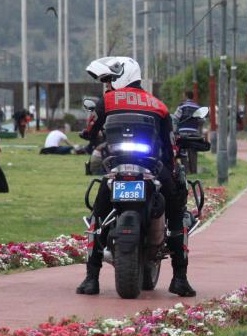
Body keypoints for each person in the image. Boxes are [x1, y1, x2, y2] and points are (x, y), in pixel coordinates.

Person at [77, 56, 196, 297]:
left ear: (124, 75)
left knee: (97, 216)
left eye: (110, 79)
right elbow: (169, 145)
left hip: (117, 167)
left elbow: (90, 131)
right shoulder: (158, 105)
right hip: (151, 167)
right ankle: (180, 278)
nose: (108, 85)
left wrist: (89, 133)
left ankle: (91, 278)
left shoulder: (107, 100)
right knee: (176, 213)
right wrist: (173, 169)